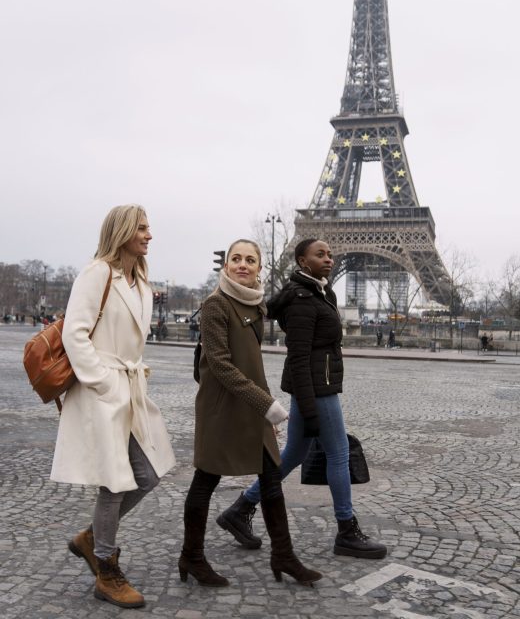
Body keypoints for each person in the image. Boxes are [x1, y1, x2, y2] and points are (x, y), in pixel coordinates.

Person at [217, 238, 387, 560]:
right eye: (319, 254)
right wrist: (309, 410)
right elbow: (297, 358)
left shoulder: (320, 292)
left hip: (316, 386)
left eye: (330, 253)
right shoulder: (302, 300)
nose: (329, 258)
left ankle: (241, 508)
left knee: (293, 453)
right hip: (316, 391)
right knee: (338, 455)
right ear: (301, 260)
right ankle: (346, 531)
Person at [50, 204, 176, 609]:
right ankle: (106, 568)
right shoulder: (97, 273)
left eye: (148, 227)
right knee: (115, 479)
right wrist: (103, 382)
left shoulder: (140, 281)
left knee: (147, 474)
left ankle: (91, 539)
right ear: (122, 231)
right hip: (103, 391)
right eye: (142, 227)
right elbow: (75, 332)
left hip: (129, 388)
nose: (149, 234)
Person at [179, 239, 321, 587]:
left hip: (250, 403)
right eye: (236, 259)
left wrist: (263, 407)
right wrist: (267, 405)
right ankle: (192, 557)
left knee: (272, 479)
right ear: (226, 265)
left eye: (251, 260)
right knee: (206, 478)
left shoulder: (256, 306)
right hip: (221, 406)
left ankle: (283, 556)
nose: (243, 265)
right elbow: (222, 366)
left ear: (260, 268)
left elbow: (252, 365)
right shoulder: (215, 305)